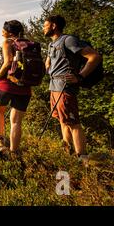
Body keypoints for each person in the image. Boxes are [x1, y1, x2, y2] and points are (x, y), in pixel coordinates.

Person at [43, 15, 102, 162]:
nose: (43, 27)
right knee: (63, 121)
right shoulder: (52, 44)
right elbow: (50, 64)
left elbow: (94, 57)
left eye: (45, 25)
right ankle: (67, 153)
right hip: (54, 87)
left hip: (66, 88)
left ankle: (83, 159)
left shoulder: (68, 40)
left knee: (73, 123)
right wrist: (49, 65)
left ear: (54, 25)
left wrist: (80, 76)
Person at [0, 20, 32, 155]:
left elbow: (7, 62)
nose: (2, 31)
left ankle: (0, 141)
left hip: (6, 85)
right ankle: (14, 151)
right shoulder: (30, 44)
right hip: (24, 87)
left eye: (3, 29)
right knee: (16, 122)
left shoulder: (8, 42)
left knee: (0, 112)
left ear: (9, 32)